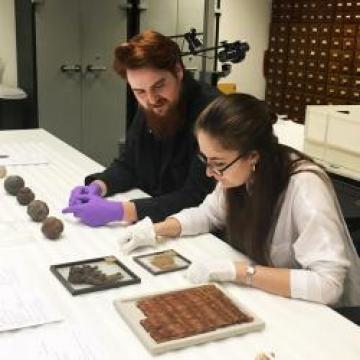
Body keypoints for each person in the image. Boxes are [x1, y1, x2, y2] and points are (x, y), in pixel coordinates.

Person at [117, 93, 360, 307]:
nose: (209, 173)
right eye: (206, 160)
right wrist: (154, 230)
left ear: (253, 156)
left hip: (328, 314)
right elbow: (208, 214)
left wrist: (240, 272)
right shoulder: (242, 174)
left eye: (218, 163)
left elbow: (328, 284)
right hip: (277, 298)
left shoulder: (304, 187)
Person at [62, 30, 219, 225]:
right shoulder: (151, 104)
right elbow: (130, 163)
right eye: (140, 91)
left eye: (159, 86)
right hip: (154, 221)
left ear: (178, 71)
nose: (152, 99)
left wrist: (121, 211)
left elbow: (196, 196)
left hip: (195, 229)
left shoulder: (213, 112)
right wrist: (99, 185)